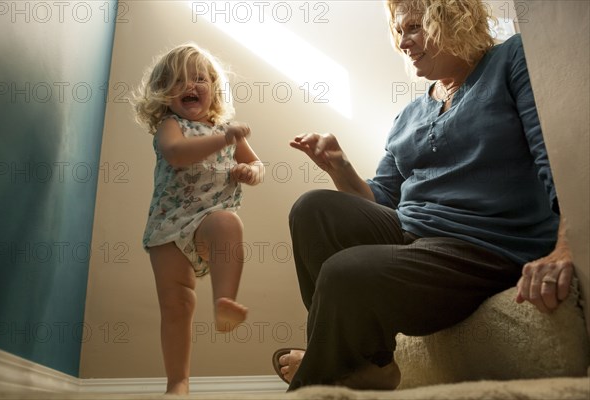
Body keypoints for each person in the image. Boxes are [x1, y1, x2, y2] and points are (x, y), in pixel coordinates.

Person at [272, 0, 575, 391]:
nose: (403, 43)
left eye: (413, 28)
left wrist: (566, 247)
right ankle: (367, 362)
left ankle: (327, 366)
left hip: (482, 245)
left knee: (344, 272)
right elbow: (380, 201)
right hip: (412, 234)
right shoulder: (409, 114)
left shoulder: (510, 59)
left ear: (455, 22)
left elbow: (553, 155)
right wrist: (339, 166)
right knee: (312, 208)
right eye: (399, 32)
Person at [133, 43, 264, 395]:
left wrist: (249, 171)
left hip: (207, 220)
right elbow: (176, 155)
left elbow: (257, 164)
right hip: (169, 226)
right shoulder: (170, 126)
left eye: (199, 79)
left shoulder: (226, 129)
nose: (190, 85)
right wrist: (224, 139)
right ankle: (178, 381)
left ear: (213, 89)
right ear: (164, 94)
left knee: (228, 223)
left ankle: (224, 301)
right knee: (177, 304)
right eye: (178, 81)